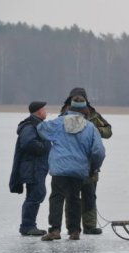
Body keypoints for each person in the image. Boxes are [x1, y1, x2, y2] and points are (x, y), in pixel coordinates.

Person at [37, 95, 106, 241]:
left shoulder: (58, 123)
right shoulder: (90, 128)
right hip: (79, 170)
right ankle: (74, 231)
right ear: (85, 110)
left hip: (60, 168)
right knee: (74, 198)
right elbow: (99, 151)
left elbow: (41, 129)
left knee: (57, 197)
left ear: (70, 107)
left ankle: (55, 229)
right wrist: (93, 167)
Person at [60, 87, 112, 235]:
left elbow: (108, 131)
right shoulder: (64, 114)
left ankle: (89, 226)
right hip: (71, 162)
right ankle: (72, 226)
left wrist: (94, 130)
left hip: (90, 163)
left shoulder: (93, 115)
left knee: (89, 195)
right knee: (71, 196)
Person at [9, 101, 51, 236]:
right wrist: (45, 147)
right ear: (39, 112)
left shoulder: (36, 125)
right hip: (33, 167)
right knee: (35, 195)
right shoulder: (30, 126)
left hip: (37, 167)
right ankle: (27, 226)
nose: (46, 112)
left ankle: (29, 225)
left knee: (36, 194)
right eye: (44, 110)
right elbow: (28, 143)